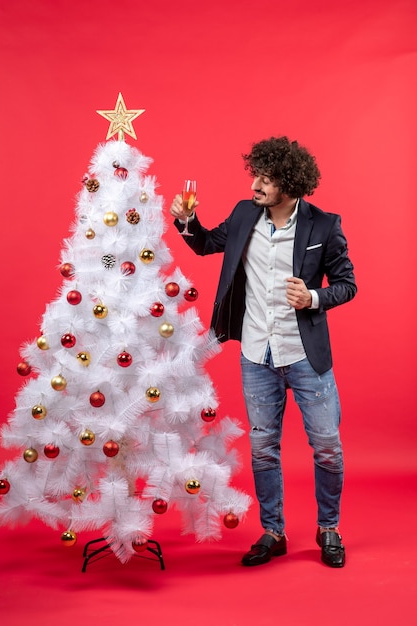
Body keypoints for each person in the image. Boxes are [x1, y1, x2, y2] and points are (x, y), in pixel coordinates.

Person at [169, 136, 357, 568]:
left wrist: (313, 297)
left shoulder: (324, 226)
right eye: (256, 175)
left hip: (306, 357)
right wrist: (187, 221)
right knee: (263, 448)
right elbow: (204, 244)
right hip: (257, 355)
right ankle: (273, 532)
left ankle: (329, 527)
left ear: (290, 186)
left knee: (327, 445)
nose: (255, 184)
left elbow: (347, 284)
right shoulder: (242, 214)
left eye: (266, 179)